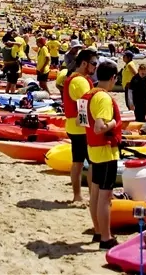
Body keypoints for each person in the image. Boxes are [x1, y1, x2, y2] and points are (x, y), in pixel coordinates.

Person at [81, 59, 123, 249]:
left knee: (96, 193)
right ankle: (106, 238)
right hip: (105, 151)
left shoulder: (87, 95)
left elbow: (84, 123)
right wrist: (113, 123)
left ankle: (98, 232)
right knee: (105, 196)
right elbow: (99, 127)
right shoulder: (103, 98)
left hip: (92, 149)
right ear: (113, 78)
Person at [63, 49, 96, 203]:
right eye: (93, 63)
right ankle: (92, 196)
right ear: (84, 63)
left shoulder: (73, 78)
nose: (95, 67)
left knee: (77, 161)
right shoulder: (80, 81)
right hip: (82, 128)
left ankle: (77, 196)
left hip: (72, 127)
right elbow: (87, 104)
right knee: (93, 163)